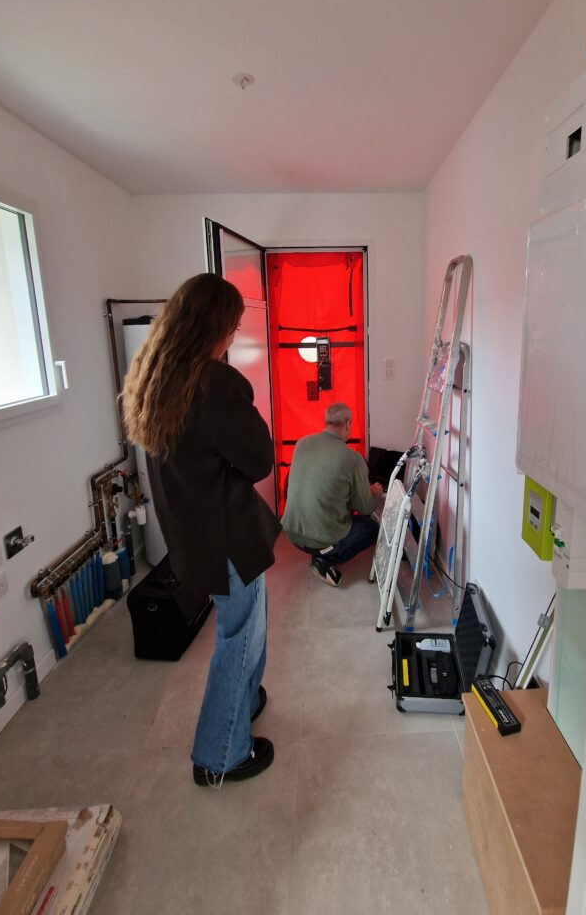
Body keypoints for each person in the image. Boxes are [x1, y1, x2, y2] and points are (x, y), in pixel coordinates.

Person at [121, 273, 281, 787]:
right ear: (210, 326)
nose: (233, 336)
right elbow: (258, 458)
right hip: (228, 537)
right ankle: (218, 756)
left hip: (193, 537)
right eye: (231, 327)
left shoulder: (155, 376)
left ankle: (245, 700)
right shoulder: (212, 383)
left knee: (248, 627)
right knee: (238, 637)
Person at [282, 402, 383, 586]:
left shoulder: (302, 444)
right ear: (347, 424)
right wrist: (373, 492)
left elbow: (325, 485)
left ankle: (321, 550)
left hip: (292, 533)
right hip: (319, 536)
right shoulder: (352, 458)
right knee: (370, 528)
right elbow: (365, 507)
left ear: (326, 422)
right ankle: (324, 559)